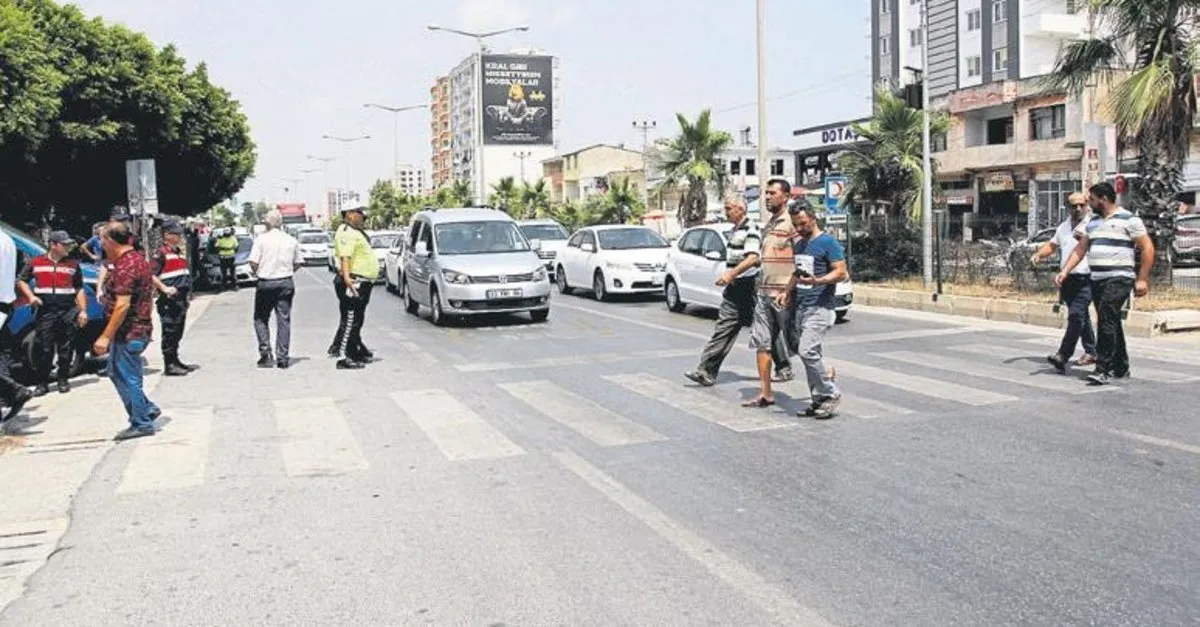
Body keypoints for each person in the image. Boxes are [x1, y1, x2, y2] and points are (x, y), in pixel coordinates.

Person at [685, 196, 793, 387]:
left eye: (729, 209)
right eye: (726, 208)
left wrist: (731, 274)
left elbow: (753, 258)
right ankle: (706, 370)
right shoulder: (734, 230)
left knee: (765, 327)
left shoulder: (750, 229)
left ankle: (783, 366)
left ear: (741, 209)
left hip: (750, 285)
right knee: (724, 327)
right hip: (735, 287)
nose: (726, 212)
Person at [1057, 182, 1155, 385]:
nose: (1088, 204)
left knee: (1106, 318)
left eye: (1091, 199)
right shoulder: (1092, 223)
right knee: (1111, 321)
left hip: (1120, 278)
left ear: (1103, 199)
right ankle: (1121, 366)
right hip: (1098, 279)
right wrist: (1065, 271)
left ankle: (1103, 368)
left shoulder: (1129, 219)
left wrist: (1142, 279)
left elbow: (1147, 248)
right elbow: (1080, 249)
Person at [93, 221, 161, 440]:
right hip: (134, 329)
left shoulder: (126, 266)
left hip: (129, 331)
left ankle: (141, 422)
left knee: (127, 377)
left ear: (111, 241)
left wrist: (105, 336)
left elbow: (122, 305)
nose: (100, 243)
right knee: (116, 372)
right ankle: (146, 407)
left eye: (102, 239)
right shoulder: (135, 260)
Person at [781, 204, 848, 419]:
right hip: (803, 306)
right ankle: (818, 399)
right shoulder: (800, 245)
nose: (799, 228)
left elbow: (840, 271)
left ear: (813, 218)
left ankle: (830, 392)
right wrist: (787, 292)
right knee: (812, 355)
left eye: (803, 223)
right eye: (796, 225)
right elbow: (797, 272)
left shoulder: (828, 242)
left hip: (821, 306)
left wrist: (819, 280)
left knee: (806, 351)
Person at [743, 179, 799, 407]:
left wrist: (789, 289)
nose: (767, 197)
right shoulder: (769, 224)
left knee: (799, 343)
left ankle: (825, 376)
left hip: (783, 294)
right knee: (761, 342)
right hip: (764, 293)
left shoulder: (792, 223)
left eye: (772, 193)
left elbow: (802, 259)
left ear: (785, 196)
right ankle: (766, 392)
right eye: (765, 193)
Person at [15, 231, 88, 396]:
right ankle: (42, 383)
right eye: (65, 244)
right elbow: (21, 280)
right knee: (44, 347)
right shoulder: (36, 262)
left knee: (65, 347)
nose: (68, 247)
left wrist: (83, 311)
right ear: (53, 245)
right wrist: (31, 297)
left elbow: (79, 289)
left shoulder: (73, 265)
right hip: (46, 311)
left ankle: (63, 379)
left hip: (68, 310)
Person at [1032, 192, 1096, 372]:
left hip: (1087, 277)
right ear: (1067, 208)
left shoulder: (1092, 225)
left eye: (1081, 205)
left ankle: (1063, 354)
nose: (1078, 209)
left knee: (1076, 315)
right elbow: (1052, 245)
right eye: (1074, 206)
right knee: (1081, 316)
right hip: (1067, 279)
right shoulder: (1063, 227)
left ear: (1087, 206)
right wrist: (1039, 254)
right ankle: (1092, 351)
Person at [249, 210, 303, 369]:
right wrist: (287, 271)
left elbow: (253, 261)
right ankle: (283, 357)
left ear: (267, 223)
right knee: (283, 320)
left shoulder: (261, 240)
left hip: (265, 282)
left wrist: (258, 272)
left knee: (260, 318)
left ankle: (265, 354)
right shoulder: (291, 240)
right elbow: (299, 262)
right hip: (285, 282)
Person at [329, 204, 378, 370]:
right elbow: (345, 257)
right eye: (359, 212)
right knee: (350, 320)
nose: (363, 216)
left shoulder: (354, 231)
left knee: (357, 319)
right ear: (349, 214)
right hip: (354, 281)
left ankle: (354, 351)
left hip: (362, 280)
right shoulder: (346, 232)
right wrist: (348, 279)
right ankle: (344, 356)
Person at [151, 219, 197, 376]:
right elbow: (151, 275)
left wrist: (187, 296)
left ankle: (175, 360)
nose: (179, 237)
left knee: (178, 331)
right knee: (170, 332)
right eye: (175, 234)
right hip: (169, 300)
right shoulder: (160, 254)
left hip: (180, 299)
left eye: (179, 234)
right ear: (166, 235)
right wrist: (164, 288)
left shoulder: (178, 253)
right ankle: (169, 365)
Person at [0, 228, 33, 424]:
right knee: (2, 354)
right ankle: (6, 397)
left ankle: (13, 392)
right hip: (6, 302)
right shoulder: (7, 238)